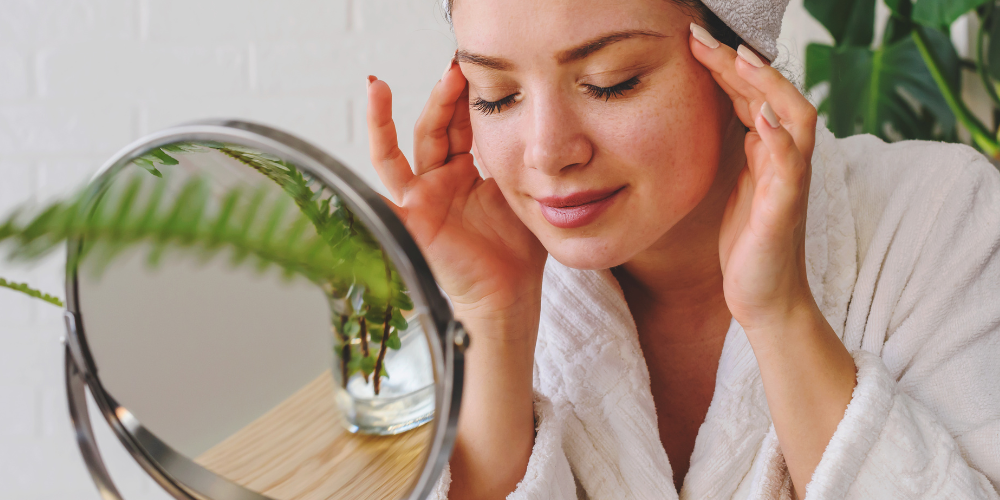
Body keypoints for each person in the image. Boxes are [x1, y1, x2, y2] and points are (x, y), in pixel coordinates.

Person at [366, 0, 1000, 498]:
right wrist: (494, 316)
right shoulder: (474, 272)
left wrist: (781, 313)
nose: (546, 152)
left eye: (611, 83)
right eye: (496, 95)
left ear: (739, 61)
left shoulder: (942, 215)